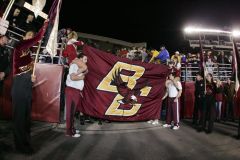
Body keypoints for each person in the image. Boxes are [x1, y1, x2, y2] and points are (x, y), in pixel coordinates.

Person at [11, 20, 48, 154]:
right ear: (23, 38)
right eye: (28, 36)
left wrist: (30, 78)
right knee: (20, 118)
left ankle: (26, 143)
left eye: (31, 36)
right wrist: (45, 26)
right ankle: (20, 146)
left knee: (26, 118)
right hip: (19, 85)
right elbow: (38, 38)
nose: (30, 38)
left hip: (26, 85)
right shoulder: (19, 46)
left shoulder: (30, 54)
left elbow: (27, 69)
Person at [65, 54, 88, 137]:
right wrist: (81, 78)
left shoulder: (77, 66)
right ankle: (69, 132)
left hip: (75, 91)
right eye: (85, 59)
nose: (86, 61)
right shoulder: (74, 65)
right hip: (72, 90)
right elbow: (72, 78)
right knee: (70, 112)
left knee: (73, 112)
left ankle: (72, 129)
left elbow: (86, 70)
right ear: (80, 59)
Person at [0, 35, 10, 118]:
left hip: (2, 77)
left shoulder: (6, 50)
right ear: (2, 38)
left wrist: (4, 73)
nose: (8, 40)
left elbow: (8, 64)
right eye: (7, 38)